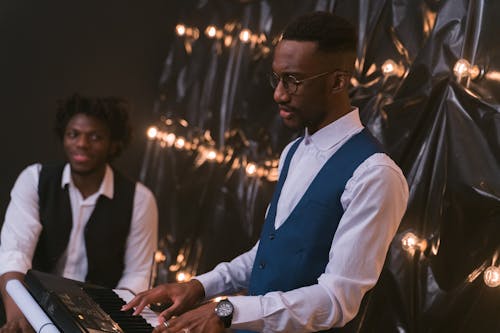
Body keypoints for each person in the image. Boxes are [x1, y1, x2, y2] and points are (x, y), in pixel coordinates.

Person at [123, 11, 409, 333]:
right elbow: (270, 253)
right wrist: (198, 286)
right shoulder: (292, 152)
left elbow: (336, 300)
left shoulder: (375, 175)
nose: (278, 94)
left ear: (338, 81)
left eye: (294, 81)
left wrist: (227, 310)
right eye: (277, 78)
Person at [0, 94, 158, 333]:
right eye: (73, 134)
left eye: (95, 137)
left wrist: (106, 325)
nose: (82, 144)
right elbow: (15, 253)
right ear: (64, 137)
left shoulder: (140, 199)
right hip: (30, 303)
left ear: (113, 144)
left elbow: (137, 275)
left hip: (97, 316)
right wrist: (19, 317)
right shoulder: (34, 179)